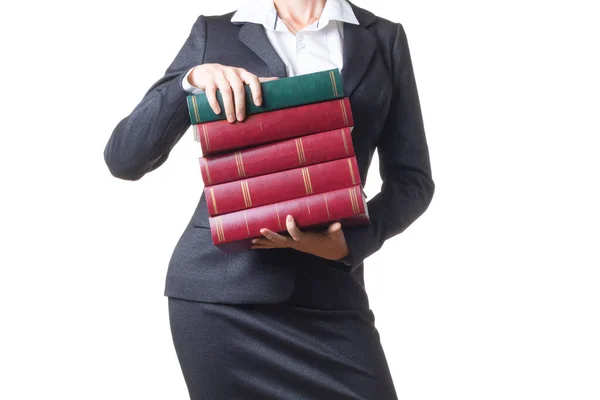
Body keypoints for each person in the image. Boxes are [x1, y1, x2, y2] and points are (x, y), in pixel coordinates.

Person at [104, 0, 434, 398]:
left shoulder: (383, 37)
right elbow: (125, 159)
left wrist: (350, 245)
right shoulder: (215, 33)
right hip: (220, 298)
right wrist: (189, 81)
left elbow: (412, 181)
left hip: (330, 296)